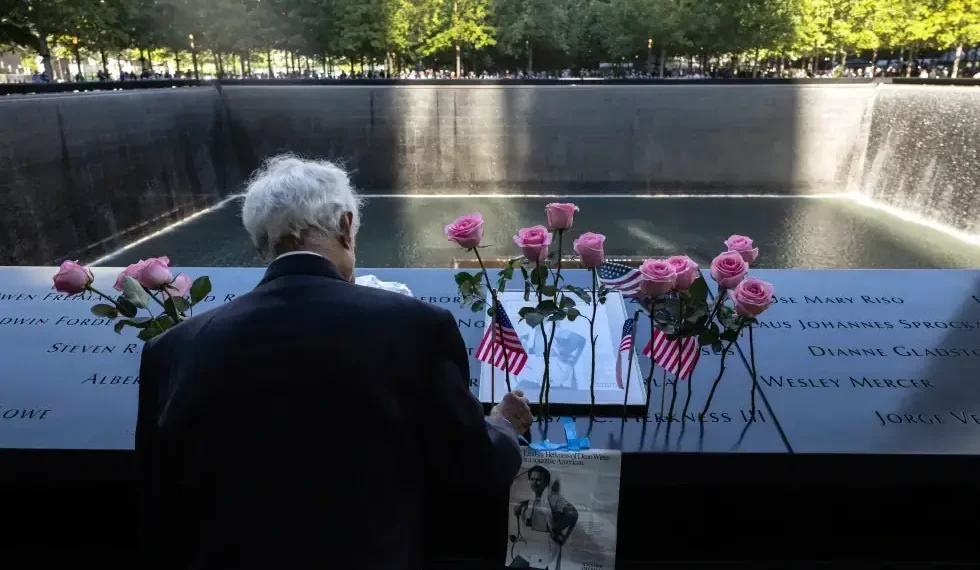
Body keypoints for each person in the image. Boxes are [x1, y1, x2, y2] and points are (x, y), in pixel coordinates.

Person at [135, 155, 533, 570]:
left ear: (261, 245)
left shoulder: (174, 348)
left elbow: (158, 512)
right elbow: (473, 468)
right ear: (346, 226)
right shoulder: (415, 325)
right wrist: (503, 424)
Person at [510, 466, 579, 569]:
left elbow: (573, 514)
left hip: (546, 548)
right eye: (532, 479)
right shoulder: (535, 497)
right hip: (532, 545)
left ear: (546, 482)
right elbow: (536, 507)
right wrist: (523, 504)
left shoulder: (553, 498)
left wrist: (554, 528)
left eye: (538, 479)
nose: (534, 483)